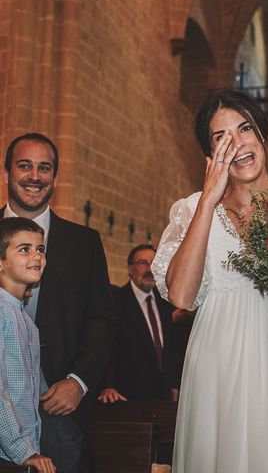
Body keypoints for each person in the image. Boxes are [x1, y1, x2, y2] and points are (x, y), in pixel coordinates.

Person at [152, 90, 268, 473]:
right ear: (209, 154)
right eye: (221, 137)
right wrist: (208, 199)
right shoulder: (192, 209)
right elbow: (182, 297)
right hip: (215, 366)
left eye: (245, 128)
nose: (236, 143)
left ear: (262, 134)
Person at [2, 133, 116, 473]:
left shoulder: (84, 242)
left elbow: (102, 319)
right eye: (24, 166)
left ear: (56, 177)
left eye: (44, 168)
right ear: (7, 172)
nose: (34, 176)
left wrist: (78, 381)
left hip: (58, 402)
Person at [0, 217, 55, 473]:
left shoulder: (26, 322)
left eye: (40, 249)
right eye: (24, 249)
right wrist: (24, 450)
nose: (36, 256)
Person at [97, 245, 180, 403]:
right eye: (143, 263)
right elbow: (107, 348)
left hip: (163, 396)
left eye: (154, 263)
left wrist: (173, 383)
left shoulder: (165, 303)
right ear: (130, 269)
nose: (150, 269)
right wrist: (107, 385)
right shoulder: (116, 301)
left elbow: (170, 349)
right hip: (126, 396)